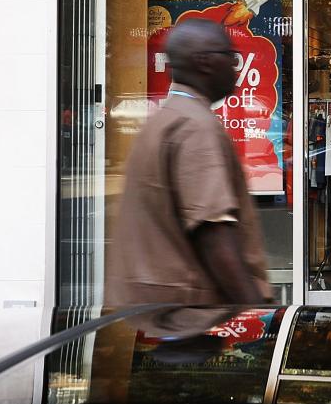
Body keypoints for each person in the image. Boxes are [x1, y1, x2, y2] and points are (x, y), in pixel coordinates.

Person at [107, 19, 273, 306]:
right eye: (229, 57)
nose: (235, 67)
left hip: (154, 312)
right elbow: (214, 234)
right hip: (190, 315)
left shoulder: (164, 119)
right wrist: (255, 311)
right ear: (204, 62)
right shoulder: (196, 127)